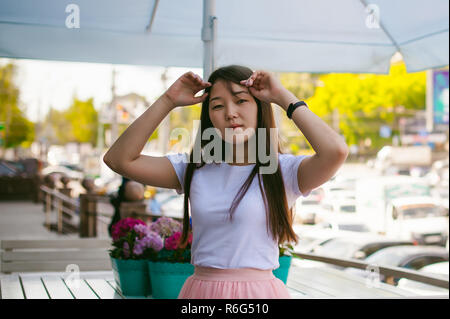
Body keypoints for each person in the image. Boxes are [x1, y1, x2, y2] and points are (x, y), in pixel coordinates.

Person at [103, 65, 349, 299]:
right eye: (217, 106)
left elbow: (336, 151)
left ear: (260, 107)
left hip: (259, 294)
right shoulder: (193, 168)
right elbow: (119, 160)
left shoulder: (283, 170)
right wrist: (168, 101)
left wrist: (283, 97)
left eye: (241, 101)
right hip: (201, 292)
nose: (230, 113)